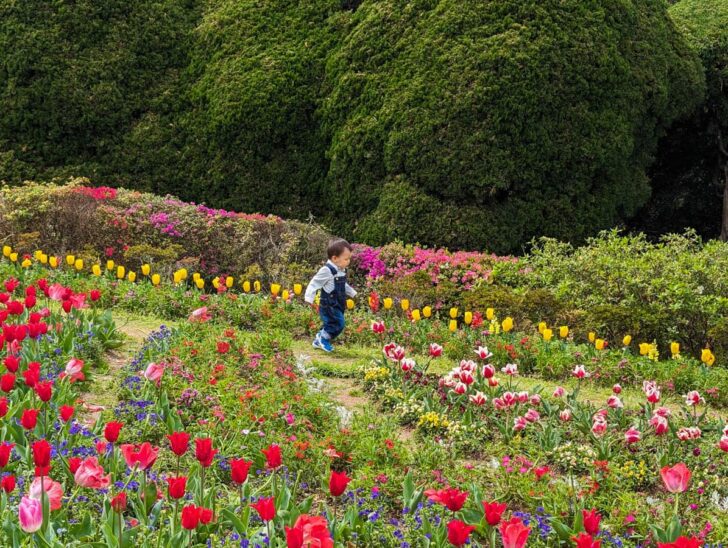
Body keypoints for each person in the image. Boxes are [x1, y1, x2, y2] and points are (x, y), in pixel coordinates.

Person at [304, 238, 357, 352]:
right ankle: (322, 338)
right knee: (338, 323)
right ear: (334, 258)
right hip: (329, 304)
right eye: (346, 259)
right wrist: (309, 298)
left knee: (334, 323)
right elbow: (314, 283)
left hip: (338, 303)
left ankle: (319, 340)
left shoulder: (340, 270)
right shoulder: (326, 270)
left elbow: (343, 285)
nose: (348, 261)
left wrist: (352, 293)